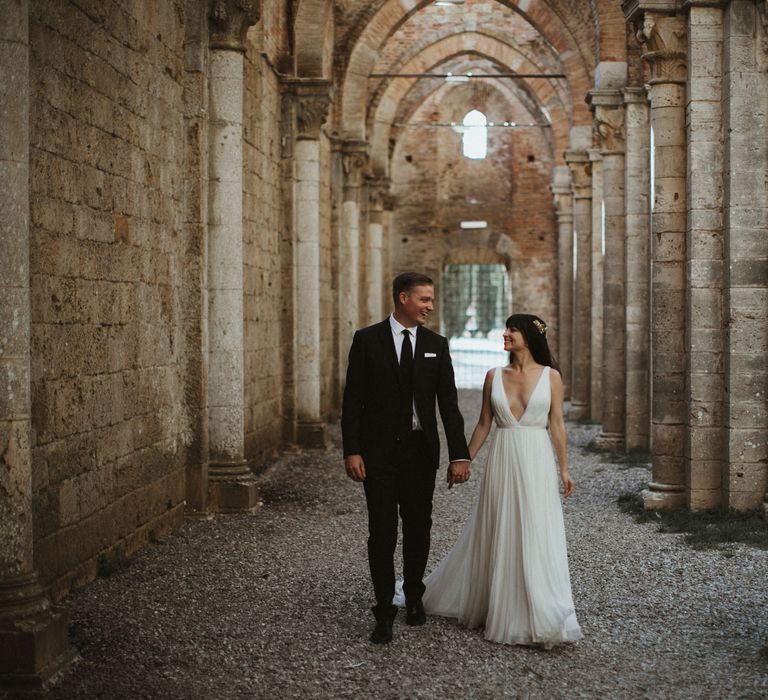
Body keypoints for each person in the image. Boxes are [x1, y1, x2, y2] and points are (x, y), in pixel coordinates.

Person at [417, 313, 583, 647]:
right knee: (500, 527)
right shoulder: (493, 376)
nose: (505, 334)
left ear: (529, 337)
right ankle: (500, 606)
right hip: (503, 459)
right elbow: (482, 424)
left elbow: (557, 425)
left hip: (536, 458)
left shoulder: (551, 377)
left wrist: (563, 469)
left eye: (512, 329)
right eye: (506, 328)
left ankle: (539, 609)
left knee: (536, 530)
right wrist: (463, 461)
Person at [341, 272, 471, 644]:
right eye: (424, 299)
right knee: (382, 530)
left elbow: (448, 405)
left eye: (431, 300)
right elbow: (352, 402)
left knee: (418, 526)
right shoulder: (367, 341)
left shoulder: (436, 344)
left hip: (419, 453)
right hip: (377, 455)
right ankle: (383, 609)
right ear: (403, 298)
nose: (430, 306)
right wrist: (352, 450)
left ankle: (414, 596)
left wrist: (459, 455)